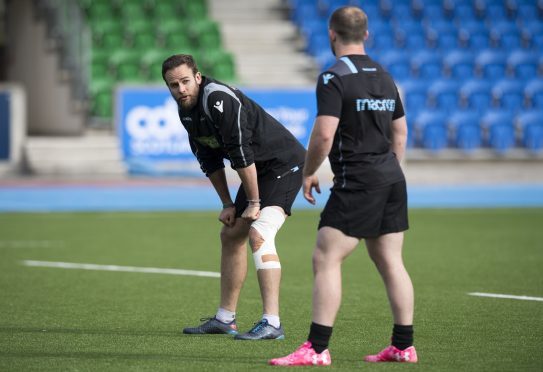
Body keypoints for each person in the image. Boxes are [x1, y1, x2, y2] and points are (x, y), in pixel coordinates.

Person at [269, 6, 417, 366]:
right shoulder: (384, 75)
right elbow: (400, 131)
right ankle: (403, 345)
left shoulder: (333, 77)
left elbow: (323, 133)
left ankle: (317, 349)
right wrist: (388, 170)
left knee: (326, 256)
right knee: (390, 259)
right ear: (366, 35)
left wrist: (308, 171)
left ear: (331, 34)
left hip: (360, 179)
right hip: (391, 178)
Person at [161, 54, 306, 340]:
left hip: (283, 164)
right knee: (230, 235)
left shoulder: (219, 100)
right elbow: (209, 159)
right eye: (173, 85)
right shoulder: (186, 110)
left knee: (259, 232)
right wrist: (228, 204)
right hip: (257, 169)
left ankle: (272, 323)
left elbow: (241, 155)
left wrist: (254, 203)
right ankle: (225, 319)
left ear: (198, 77)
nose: (181, 89)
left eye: (185, 81)